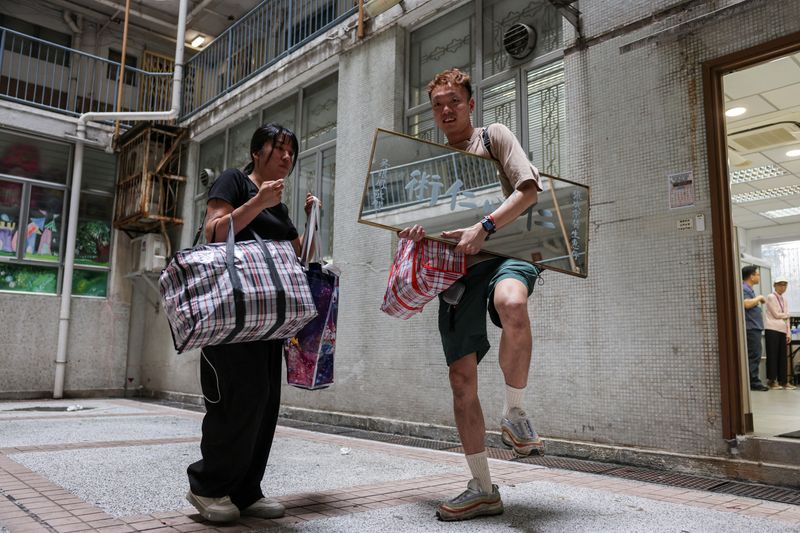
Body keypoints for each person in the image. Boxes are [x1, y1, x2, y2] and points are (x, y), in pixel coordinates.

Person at [399, 68, 544, 522]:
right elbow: (427, 223)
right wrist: (420, 234)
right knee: (461, 380)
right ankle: (482, 487)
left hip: (507, 252)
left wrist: (485, 227)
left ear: (470, 103)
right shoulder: (432, 164)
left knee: (512, 303)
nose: (445, 110)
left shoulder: (494, 137)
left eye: (453, 101)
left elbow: (529, 190)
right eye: (437, 104)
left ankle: (515, 415)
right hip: (458, 272)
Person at [186, 123, 318, 523]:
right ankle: (207, 486)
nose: (287, 157)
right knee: (234, 400)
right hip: (231, 316)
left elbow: (305, 258)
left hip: (268, 321)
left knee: (263, 401)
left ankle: (246, 489)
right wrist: (257, 203)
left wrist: (313, 220)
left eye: (292, 151)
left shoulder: (279, 205)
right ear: (258, 151)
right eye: (279, 149)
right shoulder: (236, 182)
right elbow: (211, 234)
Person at [742, 265, 769, 392]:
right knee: (754, 355)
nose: (758, 276)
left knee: (755, 354)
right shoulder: (744, 288)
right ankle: (754, 382)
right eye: (757, 274)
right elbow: (746, 304)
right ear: (751, 276)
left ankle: (752, 381)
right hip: (750, 328)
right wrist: (759, 298)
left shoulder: (749, 289)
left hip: (754, 327)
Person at [765, 276, 794, 390]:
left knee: (783, 357)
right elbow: (777, 315)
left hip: (782, 330)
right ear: (775, 285)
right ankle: (772, 381)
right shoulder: (771, 297)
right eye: (780, 284)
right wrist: (787, 315)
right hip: (772, 328)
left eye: (785, 285)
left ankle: (784, 381)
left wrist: (788, 333)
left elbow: (786, 318)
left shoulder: (784, 300)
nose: (783, 287)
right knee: (772, 355)